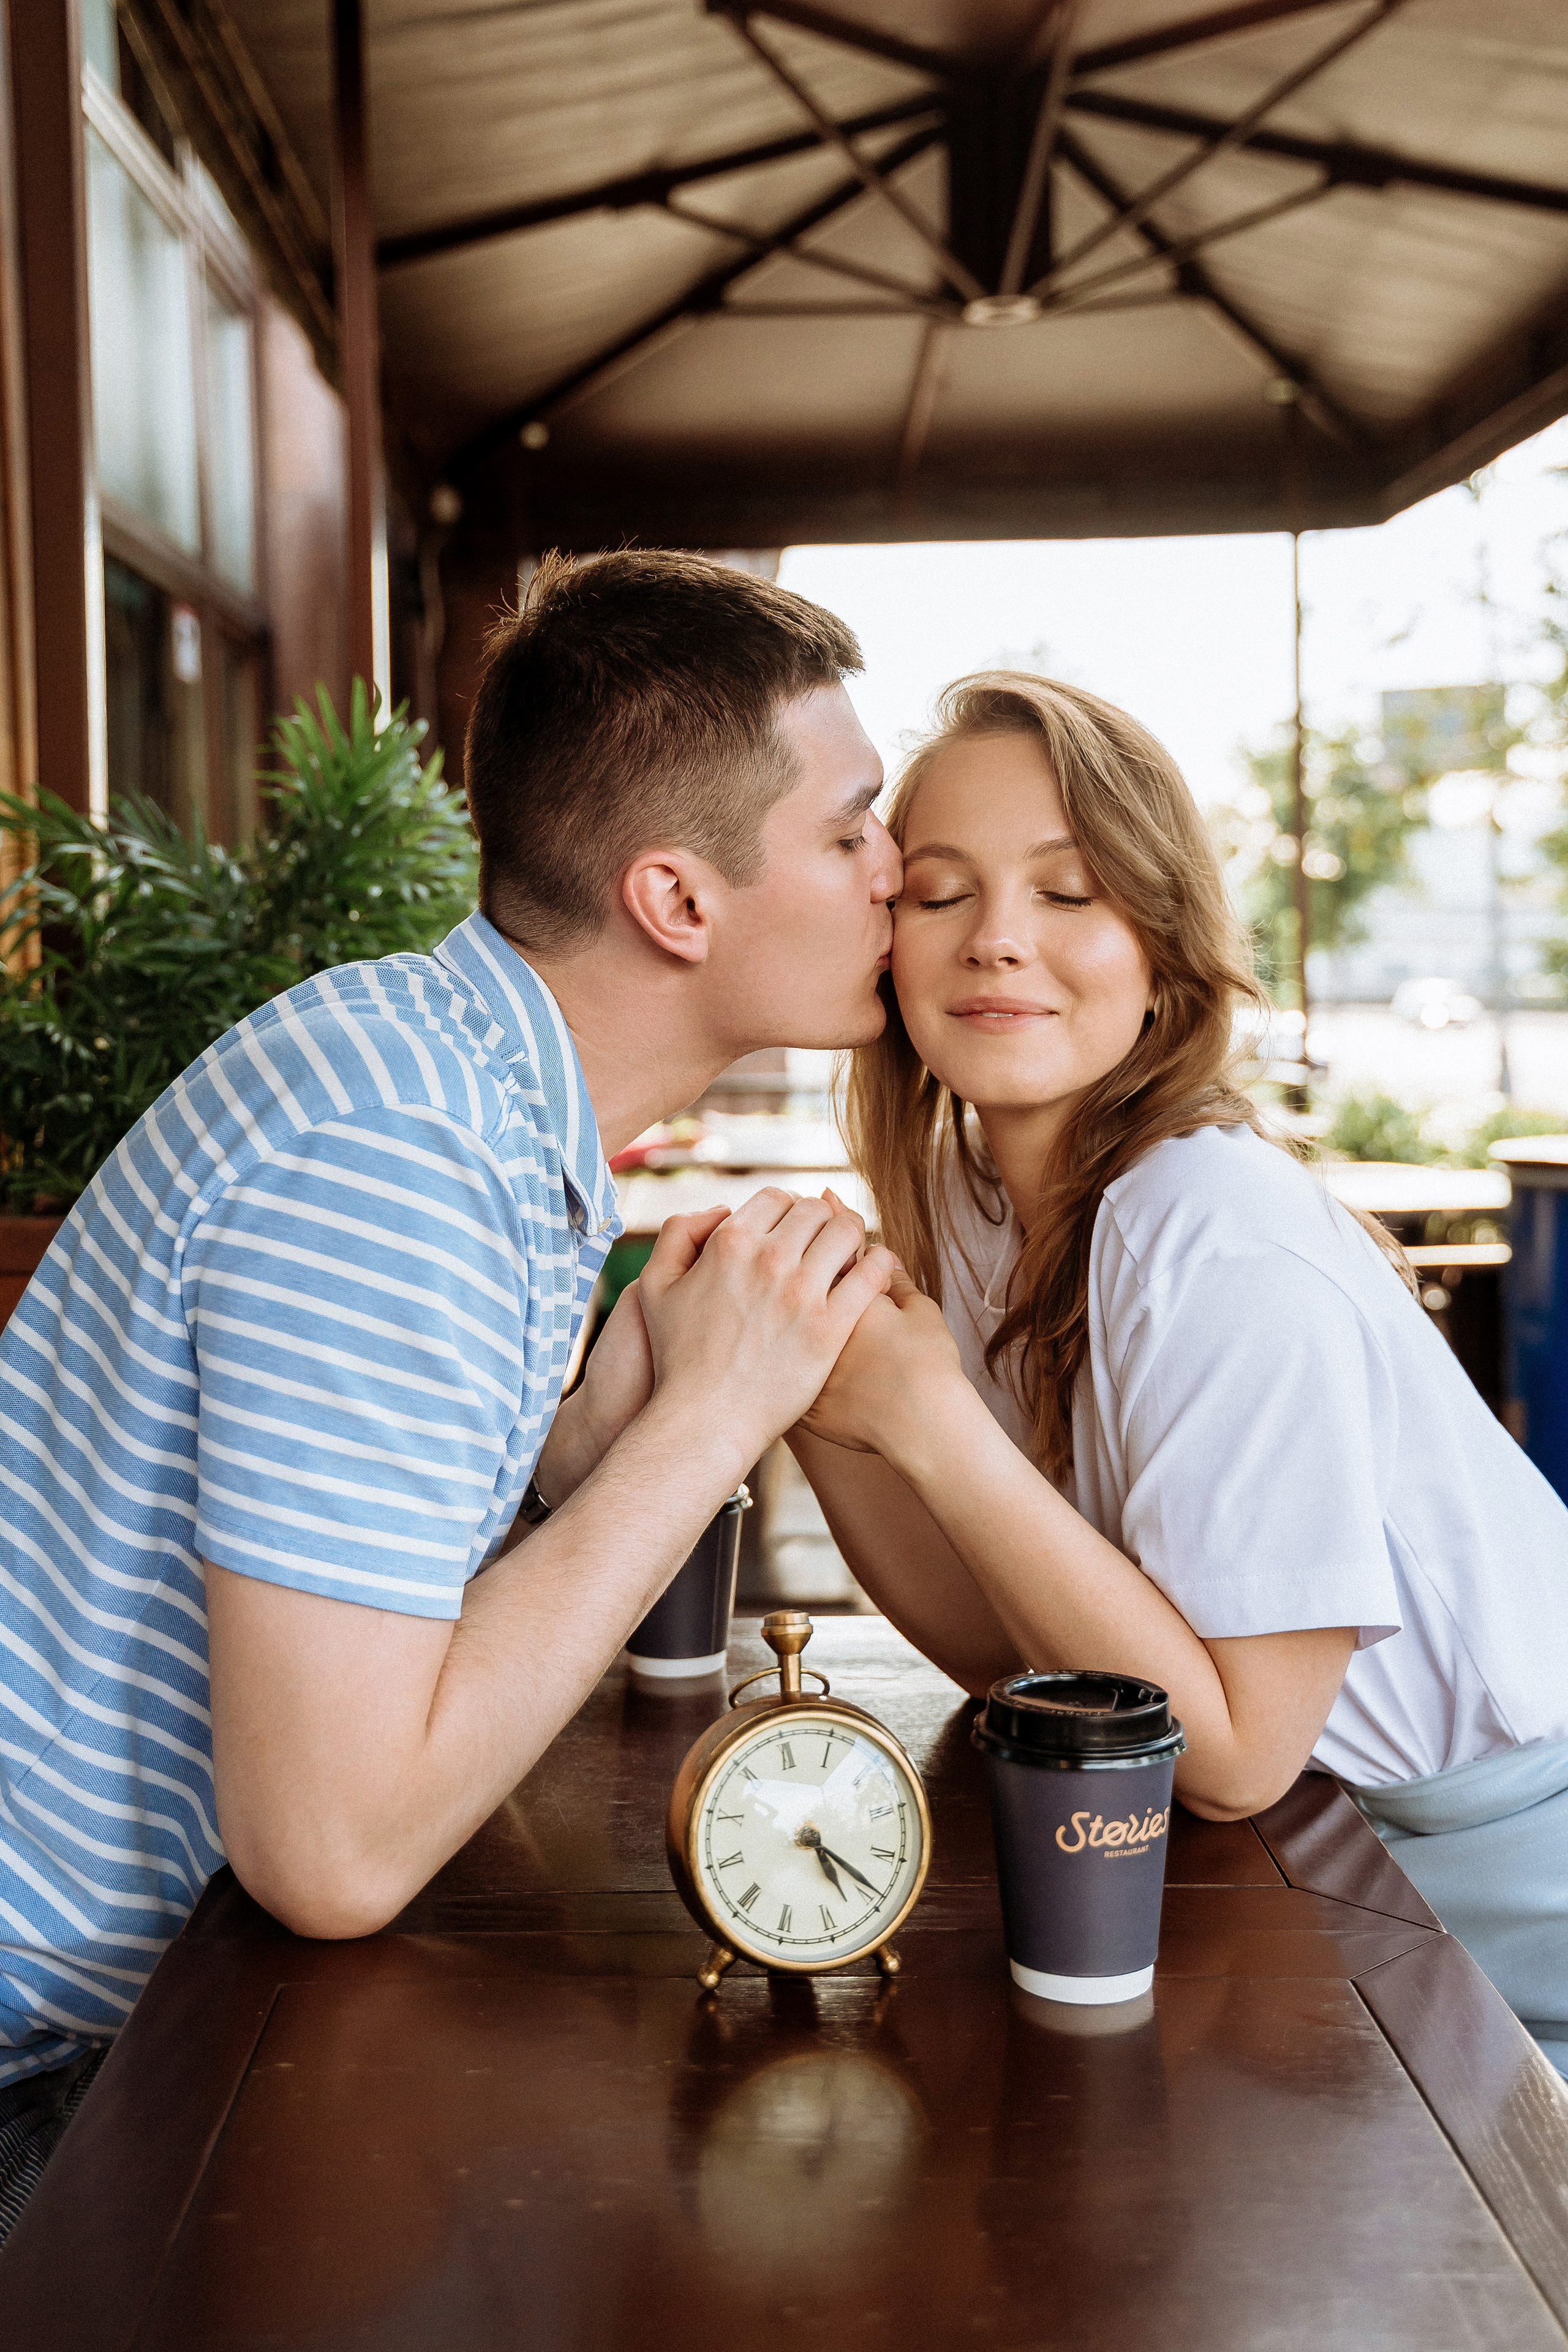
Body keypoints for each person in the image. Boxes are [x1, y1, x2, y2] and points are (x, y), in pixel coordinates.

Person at [0, 549, 902, 2233]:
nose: (898, 877)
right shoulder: (397, 1154)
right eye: (852, 833)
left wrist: (579, 1445)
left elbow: (366, 1594)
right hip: (46, 2048)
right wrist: (713, 1419)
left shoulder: (455, 1086)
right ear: (678, 901)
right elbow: (331, 1853)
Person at [792, 670, 1568, 2077]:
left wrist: (928, 1427)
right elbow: (1025, 1662)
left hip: (1508, 1901)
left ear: (1160, 942)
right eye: (942, 890)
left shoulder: (1208, 1231)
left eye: (1068, 891)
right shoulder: (976, 1208)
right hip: (1306, 1884)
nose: (997, 943)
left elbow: (1224, 1760)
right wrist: (822, 1395)